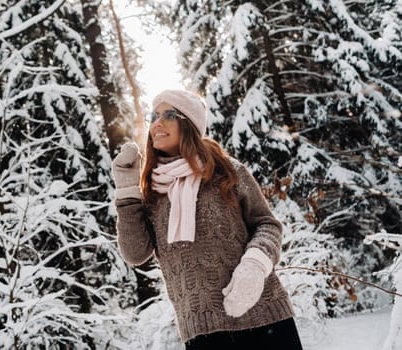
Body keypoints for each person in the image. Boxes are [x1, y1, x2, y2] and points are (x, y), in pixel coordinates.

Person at [111, 89, 304, 349]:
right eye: (153, 115)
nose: (157, 122)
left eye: (168, 115)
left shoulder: (227, 171)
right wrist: (126, 190)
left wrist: (254, 266)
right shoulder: (152, 192)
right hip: (202, 331)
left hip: (265, 316)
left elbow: (267, 224)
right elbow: (135, 253)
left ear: (189, 123)